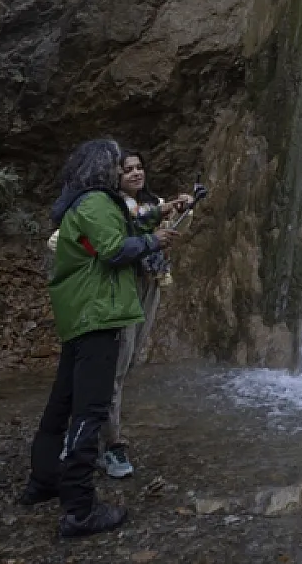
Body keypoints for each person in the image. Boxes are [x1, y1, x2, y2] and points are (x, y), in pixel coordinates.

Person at [17, 139, 190, 538]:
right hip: (99, 315)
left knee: (61, 406)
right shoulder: (96, 202)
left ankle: (43, 482)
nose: (122, 171)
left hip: (81, 315)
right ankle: (79, 509)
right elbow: (115, 249)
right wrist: (155, 241)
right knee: (91, 410)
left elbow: (123, 228)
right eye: (116, 165)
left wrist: (161, 213)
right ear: (101, 169)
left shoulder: (86, 204)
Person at [99, 150, 193, 479]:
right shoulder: (111, 208)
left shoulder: (152, 202)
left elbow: (166, 228)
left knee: (129, 360)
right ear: (116, 176)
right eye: (129, 170)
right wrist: (160, 217)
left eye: (140, 167)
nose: (137, 173)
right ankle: (110, 444)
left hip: (149, 284)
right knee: (116, 367)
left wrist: (183, 208)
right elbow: (136, 226)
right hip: (123, 286)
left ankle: (91, 434)